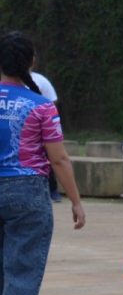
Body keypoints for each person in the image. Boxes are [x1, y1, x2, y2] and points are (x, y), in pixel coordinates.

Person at [0, 31, 86, 295]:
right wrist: (75, 201)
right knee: (21, 276)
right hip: (26, 193)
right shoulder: (41, 106)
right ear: (31, 62)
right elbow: (59, 159)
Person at [30, 63, 61, 202]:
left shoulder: (40, 80)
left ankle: (53, 190)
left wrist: (48, 126)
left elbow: (52, 102)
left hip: (39, 129)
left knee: (49, 157)